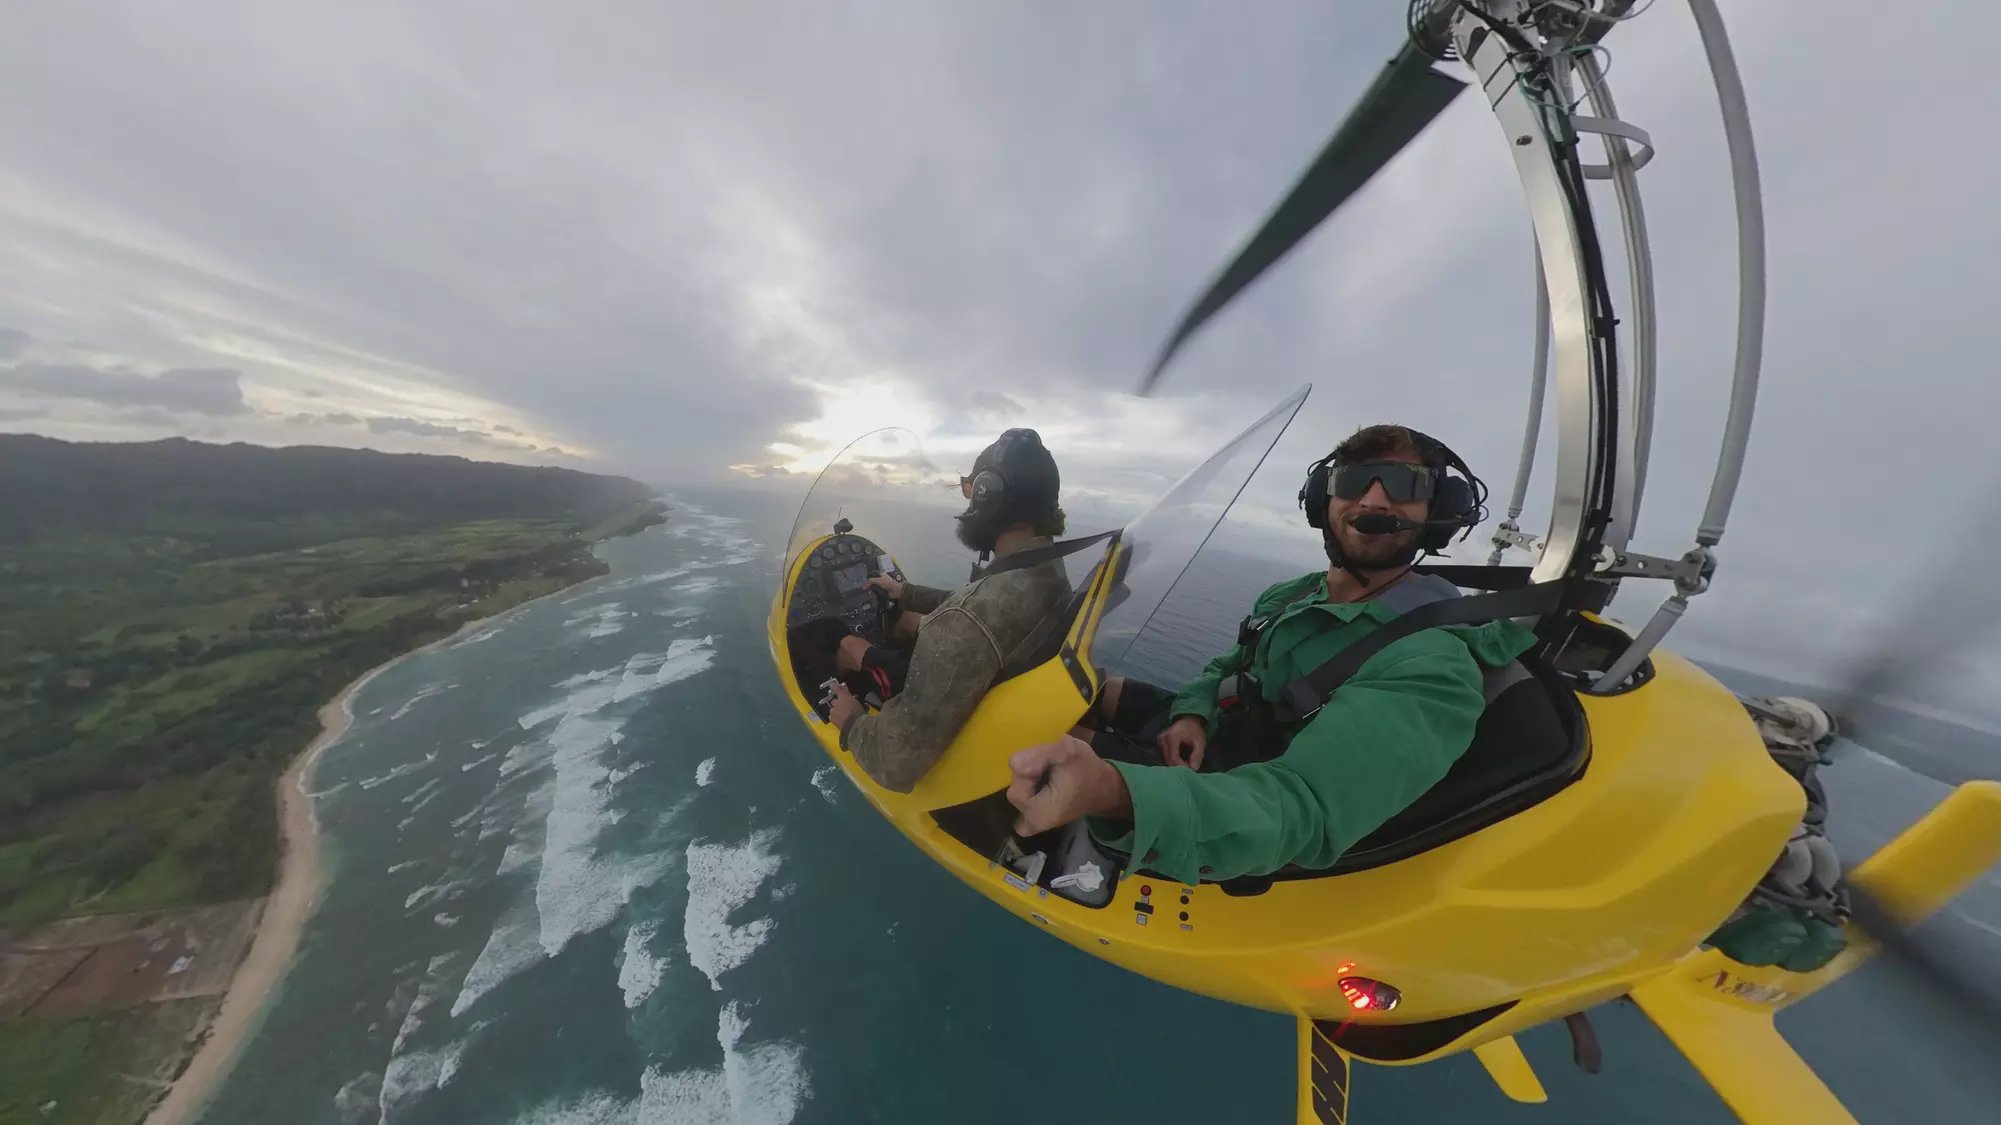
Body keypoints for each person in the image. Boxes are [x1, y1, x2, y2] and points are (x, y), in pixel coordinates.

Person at [1002, 424, 1540, 884]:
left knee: (1029, 739)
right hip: (1222, 728)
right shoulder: (1297, 594)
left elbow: (1300, 809)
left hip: (1240, 790)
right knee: (1080, 684)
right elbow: (1227, 668)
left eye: (1403, 484)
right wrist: (1194, 711)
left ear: (1438, 511)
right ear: (1321, 499)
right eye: (1354, 480)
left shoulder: (1429, 662)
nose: (1374, 501)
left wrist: (1111, 791)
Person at [828, 428, 1075, 792]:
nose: (968, 503)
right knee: (907, 622)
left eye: (970, 490)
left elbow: (893, 765)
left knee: (850, 646)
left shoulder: (964, 623)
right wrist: (906, 593)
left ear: (989, 496)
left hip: (957, 756)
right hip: (1007, 724)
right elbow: (988, 606)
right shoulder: (1049, 573)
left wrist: (851, 721)